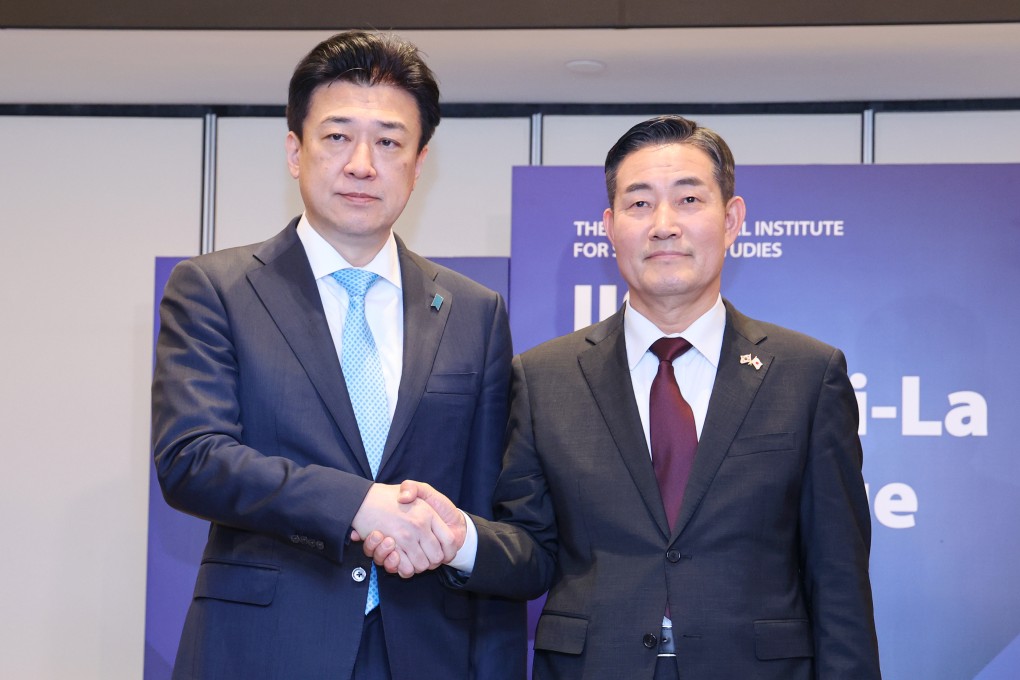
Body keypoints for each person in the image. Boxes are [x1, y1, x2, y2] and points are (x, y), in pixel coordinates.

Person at [365, 115, 882, 679]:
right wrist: (462, 540)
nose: (664, 225)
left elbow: (839, 581)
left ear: (732, 220)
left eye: (688, 199)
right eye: (639, 205)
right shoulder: (543, 377)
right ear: (609, 226)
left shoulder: (807, 375)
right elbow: (533, 551)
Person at [151, 30, 524, 680]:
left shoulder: (476, 312)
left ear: (419, 160)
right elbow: (193, 459)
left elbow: (487, 517)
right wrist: (359, 503)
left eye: (388, 141)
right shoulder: (214, 289)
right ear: (295, 151)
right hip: (262, 650)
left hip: (425, 653)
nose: (361, 163)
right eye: (337, 136)